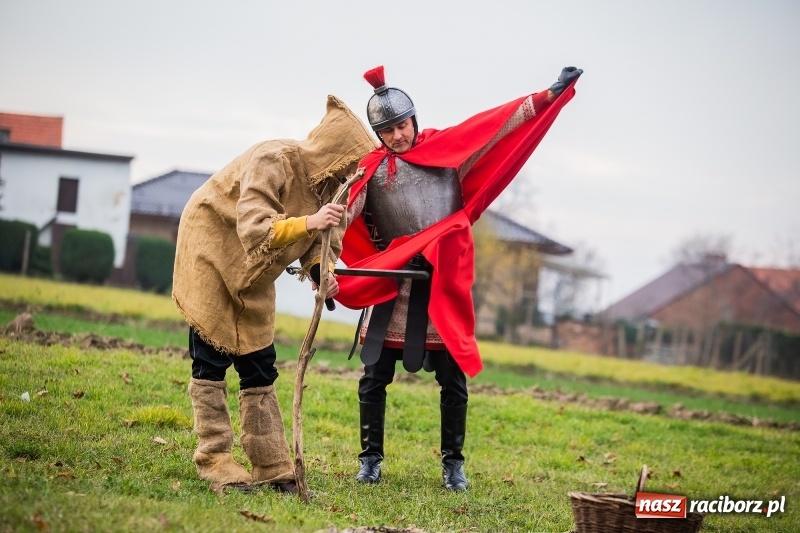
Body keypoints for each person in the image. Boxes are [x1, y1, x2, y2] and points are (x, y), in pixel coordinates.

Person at [335, 65, 582, 491]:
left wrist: (547, 96)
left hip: (439, 284)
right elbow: (346, 216)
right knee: (373, 378)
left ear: (414, 119)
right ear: (379, 134)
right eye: (388, 130)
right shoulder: (371, 170)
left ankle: (453, 466)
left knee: (453, 381)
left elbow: (495, 128)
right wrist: (322, 241)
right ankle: (370, 461)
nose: (398, 135)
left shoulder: (447, 152)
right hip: (392, 282)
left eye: (402, 124)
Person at [172, 95, 376, 494]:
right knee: (211, 357)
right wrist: (310, 221)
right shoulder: (274, 158)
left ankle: (271, 464)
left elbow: (325, 244)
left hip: (257, 274)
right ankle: (214, 459)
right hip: (211, 249)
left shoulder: (336, 190)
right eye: (351, 162)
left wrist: (323, 274)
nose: (354, 172)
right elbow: (253, 228)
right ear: (333, 152)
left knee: (260, 363)